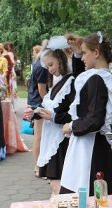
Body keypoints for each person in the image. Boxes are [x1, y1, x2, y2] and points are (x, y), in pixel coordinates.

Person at [60, 32, 112, 196]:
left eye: (84, 53)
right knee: (84, 198)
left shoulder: (98, 79)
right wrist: (79, 50)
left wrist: (70, 126)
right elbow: (81, 81)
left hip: (90, 149)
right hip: (88, 145)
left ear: (97, 53)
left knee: (85, 200)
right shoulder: (100, 77)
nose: (82, 57)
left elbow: (94, 120)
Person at [34, 45, 77, 194]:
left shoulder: (71, 82)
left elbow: (74, 114)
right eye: (47, 67)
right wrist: (34, 112)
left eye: (51, 64)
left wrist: (53, 117)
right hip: (52, 138)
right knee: (55, 184)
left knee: (57, 183)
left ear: (60, 60)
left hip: (61, 139)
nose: (50, 69)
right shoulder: (58, 83)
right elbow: (48, 106)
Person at [27, 43, 48, 178]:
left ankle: (39, 166)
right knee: (39, 136)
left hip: (35, 102)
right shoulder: (41, 66)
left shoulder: (38, 64)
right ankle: (38, 166)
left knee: (39, 136)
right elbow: (42, 90)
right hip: (38, 103)